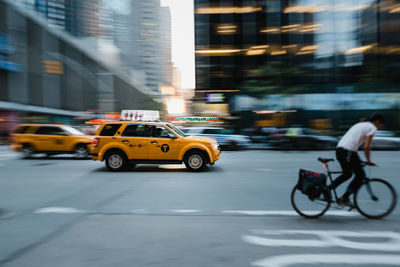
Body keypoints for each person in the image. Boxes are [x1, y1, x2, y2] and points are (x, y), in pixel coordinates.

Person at [331, 113, 384, 205]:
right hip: (347, 151)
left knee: (352, 174)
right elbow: (367, 147)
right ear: (377, 121)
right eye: (381, 123)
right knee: (355, 175)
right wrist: (368, 161)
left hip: (342, 150)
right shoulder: (372, 127)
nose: (381, 126)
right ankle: (342, 197)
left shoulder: (361, 124)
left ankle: (333, 192)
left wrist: (360, 161)